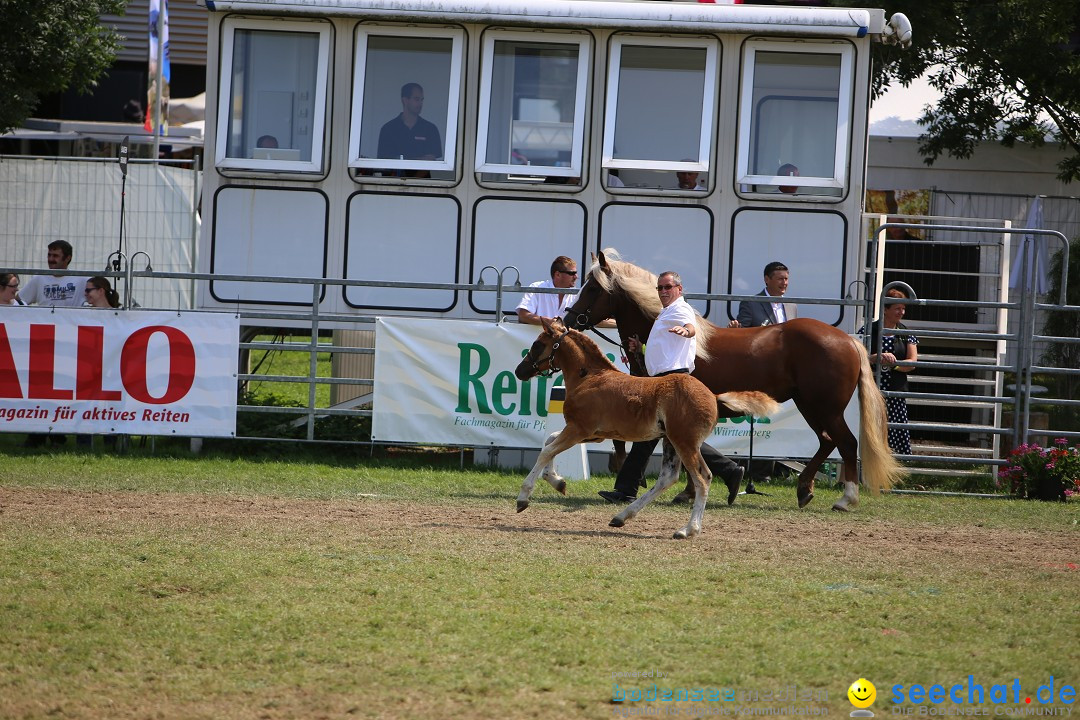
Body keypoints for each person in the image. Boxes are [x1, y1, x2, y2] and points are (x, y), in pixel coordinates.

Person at [599, 271, 744, 505]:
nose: (664, 292)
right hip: (664, 379)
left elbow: (690, 327)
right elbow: (666, 348)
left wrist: (687, 331)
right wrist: (641, 349)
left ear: (679, 288)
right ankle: (729, 470)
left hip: (672, 381)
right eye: (660, 288)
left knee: (657, 436)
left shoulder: (681, 308)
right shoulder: (666, 312)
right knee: (669, 436)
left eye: (668, 287)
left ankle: (625, 489)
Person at [860, 287, 919, 455]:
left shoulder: (906, 333)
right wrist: (874, 358)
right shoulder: (868, 331)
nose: (901, 312)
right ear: (885, 309)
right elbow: (858, 358)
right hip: (872, 388)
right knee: (871, 428)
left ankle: (895, 469)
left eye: (903, 308)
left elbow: (912, 362)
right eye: (897, 308)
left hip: (896, 390)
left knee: (895, 429)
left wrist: (895, 364)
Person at [378, 82, 443, 162]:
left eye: (421, 100)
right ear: (405, 100)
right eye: (416, 99)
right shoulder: (388, 129)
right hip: (394, 175)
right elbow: (385, 161)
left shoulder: (430, 129)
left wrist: (402, 160)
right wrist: (419, 159)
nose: (420, 103)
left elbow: (430, 161)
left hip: (421, 175)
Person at [17, 240, 87, 308]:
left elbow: (97, 296)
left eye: (55, 256)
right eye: (49, 255)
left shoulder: (81, 280)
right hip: (45, 320)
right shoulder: (39, 279)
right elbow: (18, 301)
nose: (50, 259)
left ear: (67, 258)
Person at [729, 261, 797, 328]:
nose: (784, 283)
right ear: (767, 279)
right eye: (780, 279)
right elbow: (742, 332)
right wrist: (735, 329)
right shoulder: (750, 304)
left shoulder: (792, 306)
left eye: (786, 279)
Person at [516, 257, 579, 325]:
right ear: (558, 274)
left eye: (576, 273)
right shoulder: (537, 288)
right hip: (537, 335)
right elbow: (523, 316)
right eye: (572, 273)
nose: (576, 277)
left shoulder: (576, 294)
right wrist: (548, 322)